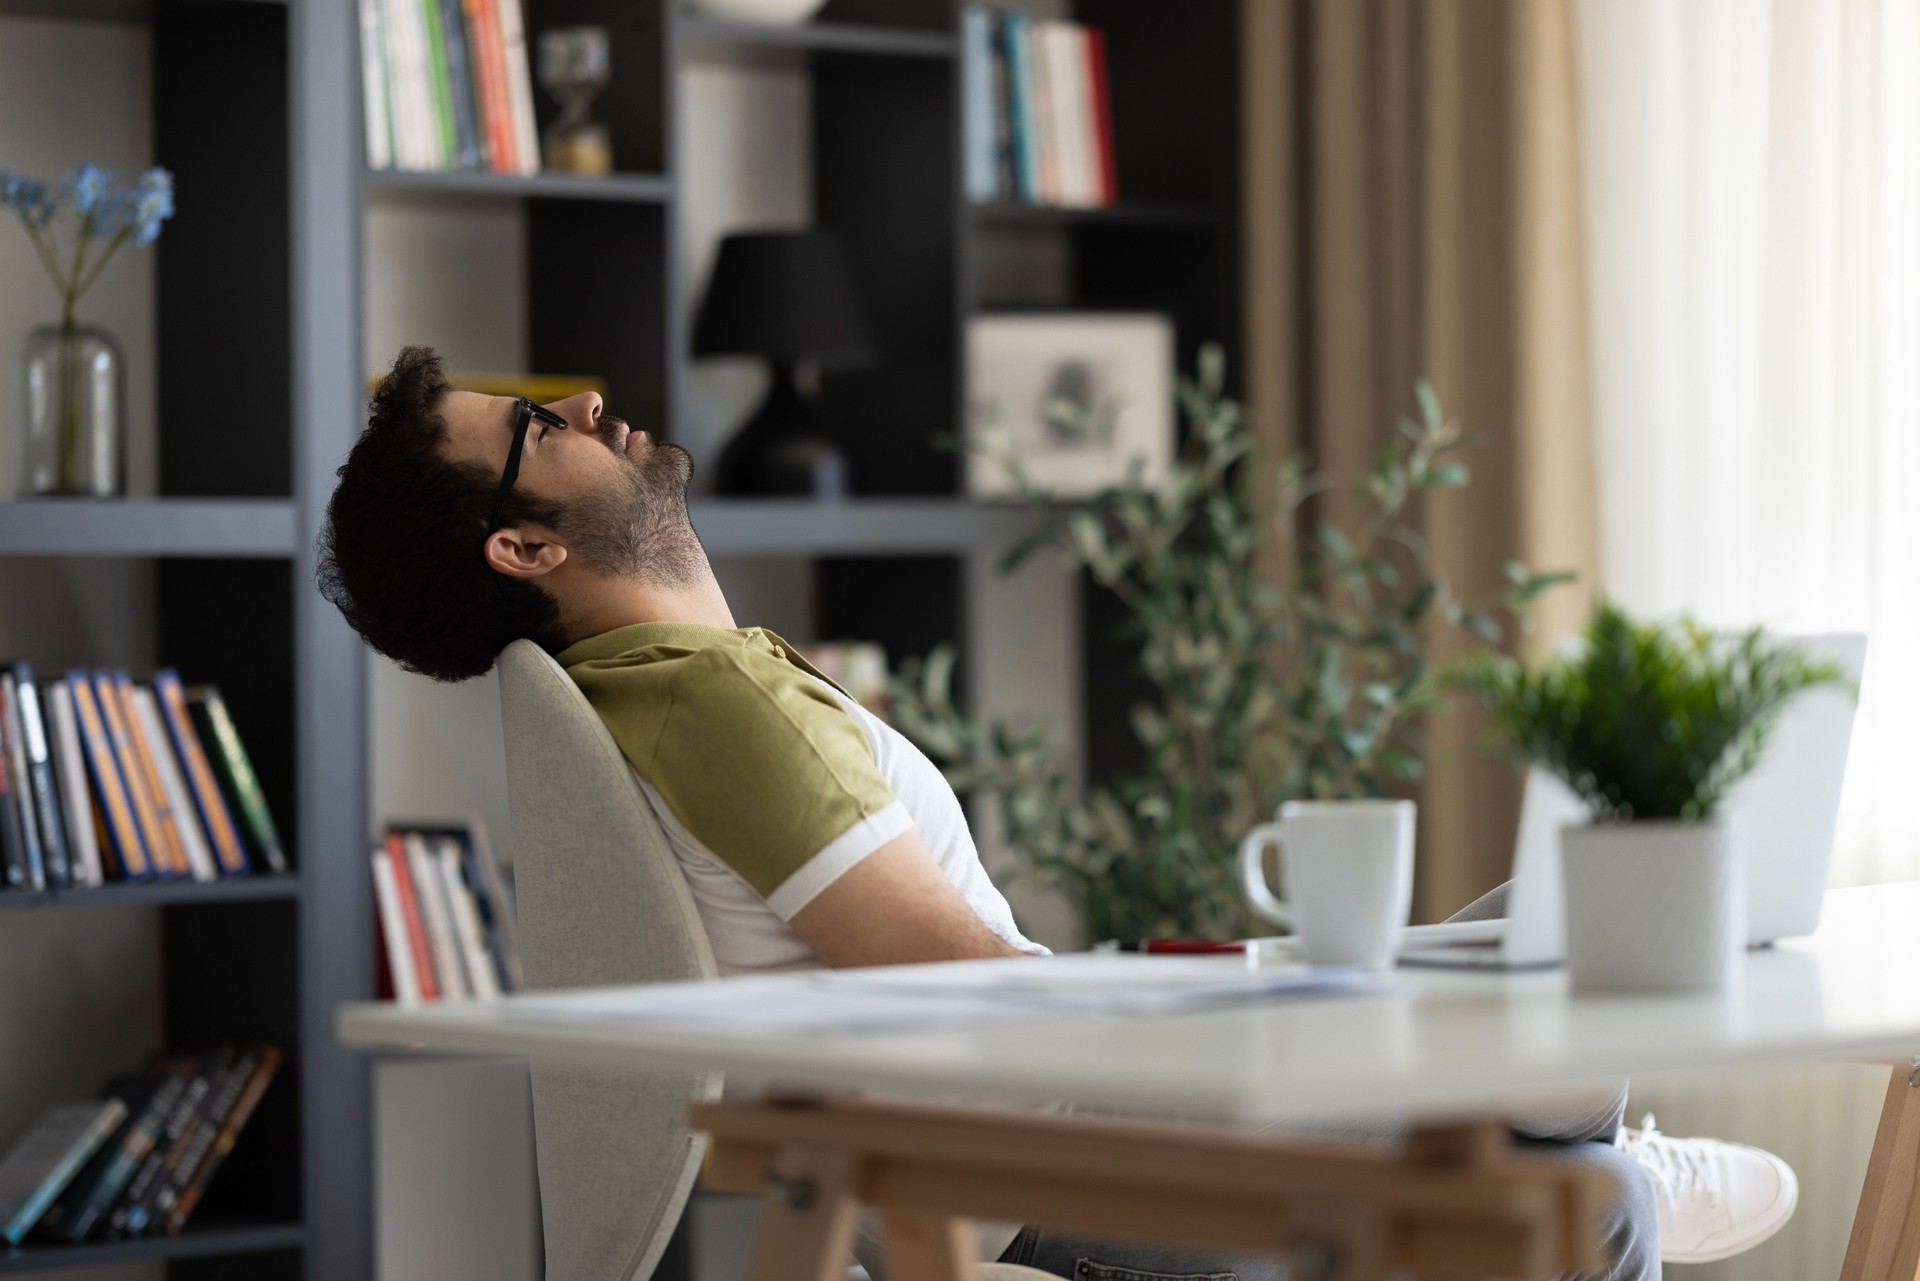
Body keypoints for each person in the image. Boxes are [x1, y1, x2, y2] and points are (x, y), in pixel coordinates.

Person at [317, 347, 1798, 1280]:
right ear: (525, 540)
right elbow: (949, 979)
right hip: (1062, 1146)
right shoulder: (709, 699)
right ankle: (1573, 1131)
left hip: (1044, 1117)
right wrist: (1218, 1014)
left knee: (1534, 929)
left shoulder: (688, 685)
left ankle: (1554, 1114)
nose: (577, 401)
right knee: (1593, 1124)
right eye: (529, 426)